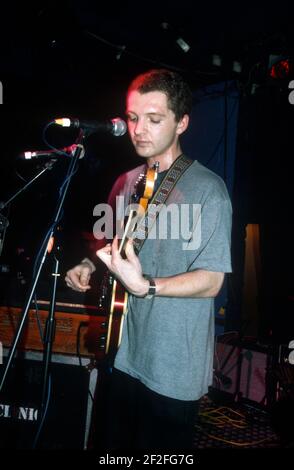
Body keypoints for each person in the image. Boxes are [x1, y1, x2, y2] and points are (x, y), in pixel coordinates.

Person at [65, 68, 232, 450]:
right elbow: (112, 244)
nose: (140, 128)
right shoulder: (125, 182)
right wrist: (90, 264)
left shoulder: (209, 190)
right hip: (123, 353)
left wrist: (147, 286)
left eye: (154, 119)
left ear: (182, 123)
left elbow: (213, 280)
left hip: (172, 366)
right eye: (133, 118)